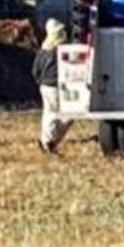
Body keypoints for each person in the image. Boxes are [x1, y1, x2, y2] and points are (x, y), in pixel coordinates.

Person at [33, 18, 72, 152]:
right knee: (65, 115)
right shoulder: (61, 51)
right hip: (56, 86)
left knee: (48, 113)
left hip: (44, 86)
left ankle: (46, 141)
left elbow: (35, 70)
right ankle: (51, 141)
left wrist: (40, 81)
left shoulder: (43, 50)